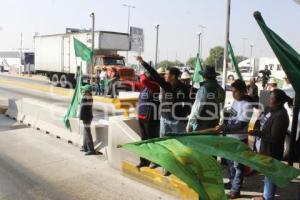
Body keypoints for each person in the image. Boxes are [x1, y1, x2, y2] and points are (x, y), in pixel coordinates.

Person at [215, 79, 253, 199]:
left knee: (237, 166)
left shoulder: (248, 106)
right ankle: (232, 182)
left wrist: (224, 128)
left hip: (238, 140)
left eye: (235, 91)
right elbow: (230, 118)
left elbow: (240, 125)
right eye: (232, 91)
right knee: (231, 164)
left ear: (243, 91)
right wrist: (223, 125)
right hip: (230, 138)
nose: (233, 94)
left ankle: (236, 190)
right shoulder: (236, 102)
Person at [249, 89, 289, 200]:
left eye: (271, 99)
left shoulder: (280, 115)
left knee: (270, 176)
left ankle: (268, 197)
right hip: (264, 149)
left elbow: (274, 138)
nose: (269, 100)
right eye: (269, 98)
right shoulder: (272, 110)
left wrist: (258, 133)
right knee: (267, 175)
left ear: (279, 102)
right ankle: (265, 195)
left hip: (271, 152)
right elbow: (262, 121)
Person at [136, 56, 191, 135]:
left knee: (179, 143)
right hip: (164, 119)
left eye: (167, 74)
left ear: (173, 76)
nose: (165, 75)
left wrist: (181, 117)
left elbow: (187, 104)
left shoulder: (183, 88)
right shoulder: (165, 85)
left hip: (177, 122)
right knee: (163, 141)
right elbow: (154, 74)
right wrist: (142, 62)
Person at [186, 66, 225, 132]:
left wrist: (189, 125)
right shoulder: (221, 90)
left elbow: (196, 109)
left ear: (204, 76)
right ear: (214, 76)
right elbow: (221, 109)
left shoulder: (204, 88)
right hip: (215, 126)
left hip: (202, 127)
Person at [136, 72, 160, 168]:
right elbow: (135, 83)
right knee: (143, 140)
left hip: (150, 117)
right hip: (141, 117)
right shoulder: (144, 87)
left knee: (151, 140)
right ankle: (143, 160)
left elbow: (143, 80)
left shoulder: (155, 87)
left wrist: (142, 73)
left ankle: (153, 161)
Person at [79, 84, 96, 156]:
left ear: (87, 91)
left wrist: (80, 116)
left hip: (86, 117)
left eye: (84, 90)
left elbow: (83, 108)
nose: (82, 91)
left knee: (87, 133)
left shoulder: (87, 97)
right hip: (86, 117)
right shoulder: (87, 97)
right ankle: (85, 147)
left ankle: (91, 150)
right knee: (85, 132)